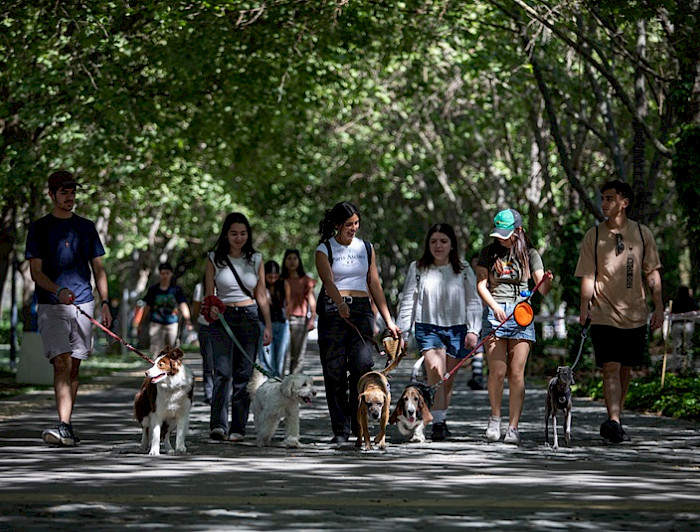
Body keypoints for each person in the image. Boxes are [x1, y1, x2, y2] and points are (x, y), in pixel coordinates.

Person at [25, 170, 112, 446]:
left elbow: (99, 269)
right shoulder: (39, 228)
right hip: (52, 305)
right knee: (60, 362)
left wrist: (105, 303)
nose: (70, 197)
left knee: (74, 367)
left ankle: (67, 425)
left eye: (72, 192)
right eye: (64, 192)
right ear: (51, 195)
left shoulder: (86, 227)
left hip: (84, 304)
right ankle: (64, 424)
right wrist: (57, 290)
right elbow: (35, 273)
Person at [575, 180, 663, 443]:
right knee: (610, 366)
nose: (604, 203)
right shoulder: (594, 235)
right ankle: (613, 419)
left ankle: (616, 416)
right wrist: (584, 306)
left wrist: (658, 306)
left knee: (625, 368)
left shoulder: (642, 233)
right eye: (602, 198)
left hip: (635, 313)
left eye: (610, 198)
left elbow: (653, 272)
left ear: (624, 202)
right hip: (603, 312)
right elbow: (588, 276)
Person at [315, 201, 401, 444]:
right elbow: (328, 282)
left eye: (356, 224)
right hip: (334, 310)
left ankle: (359, 425)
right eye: (348, 225)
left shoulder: (366, 248)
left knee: (363, 367)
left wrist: (388, 320)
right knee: (335, 372)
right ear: (336, 225)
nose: (353, 228)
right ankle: (340, 430)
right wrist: (340, 302)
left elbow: (374, 283)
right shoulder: (324, 250)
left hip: (362, 310)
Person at [397, 223, 482, 441]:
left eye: (443, 241)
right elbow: (408, 301)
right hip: (427, 327)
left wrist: (473, 330)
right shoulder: (418, 268)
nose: (438, 245)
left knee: (446, 380)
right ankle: (438, 424)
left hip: (458, 329)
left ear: (451, 244)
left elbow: (474, 300)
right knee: (436, 372)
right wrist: (402, 333)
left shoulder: (462, 269)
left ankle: (439, 416)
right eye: (433, 241)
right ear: (428, 244)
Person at [476, 208, 552, 445]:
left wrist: (546, 282)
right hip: (495, 312)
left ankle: (513, 427)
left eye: (506, 233)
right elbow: (481, 285)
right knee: (497, 372)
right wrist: (494, 306)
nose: (501, 238)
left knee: (516, 373)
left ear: (518, 231)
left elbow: (543, 289)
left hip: (521, 313)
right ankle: (495, 418)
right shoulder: (488, 253)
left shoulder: (530, 254)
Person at [204, 212, 272, 442]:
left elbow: (261, 294)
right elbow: (208, 293)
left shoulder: (256, 259)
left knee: (244, 375)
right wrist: (211, 307)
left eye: (243, 233)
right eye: (233, 233)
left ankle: (238, 428)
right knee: (222, 373)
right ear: (226, 234)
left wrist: (268, 325)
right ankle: (218, 426)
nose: (238, 237)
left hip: (249, 316)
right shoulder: (214, 258)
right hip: (222, 318)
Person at [137, 262, 192, 355]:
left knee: (172, 349)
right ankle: (157, 367)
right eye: (162, 273)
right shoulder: (153, 289)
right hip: (156, 323)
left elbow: (183, 304)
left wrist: (188, 320)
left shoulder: (176, 290)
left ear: (171, 274)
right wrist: (140, 322)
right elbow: (147, 306)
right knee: (155, 348)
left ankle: (172, 368)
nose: (165, 276)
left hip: (172, 323)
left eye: (167, 273)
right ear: (159, 274)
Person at [281, 249, 317, 374]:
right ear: (284, 261)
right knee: (282, 356)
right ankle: (278, 384)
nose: (292, 262)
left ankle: (294, 385)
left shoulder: (306, 280)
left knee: (297, 357)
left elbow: (311, 300)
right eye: (289, 258)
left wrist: (312, 318)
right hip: (281, 320)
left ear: (299, 261)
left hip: (299, 321)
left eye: (294, 259)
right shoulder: (280, 279)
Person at [259, 260, 290, 378]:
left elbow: (288, 304)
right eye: (269, 277)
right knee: (267, 355)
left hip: (281, 324)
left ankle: (278, 380)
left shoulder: (284, 284)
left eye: (275, 276)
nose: (272, 279)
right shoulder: (261, 286)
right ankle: (269, 380)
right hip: (265, 325)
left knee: (280, 356)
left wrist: (287, 318)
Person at [192, 277, 214, 404]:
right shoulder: (200, 287)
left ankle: (220, 391)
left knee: (221, 361)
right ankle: (209, 392)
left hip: (222, 326)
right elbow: (196, 307)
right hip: (205, 325)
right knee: (208, 360)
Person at [670, 286, 698, 362]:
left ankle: (677, 362)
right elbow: (696, 310)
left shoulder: (675, 301)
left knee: (677, 345)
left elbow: (671, 312)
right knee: (688, 344)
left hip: (677, 324)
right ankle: (688, 362)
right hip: (688, 324)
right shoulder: (691, 300)